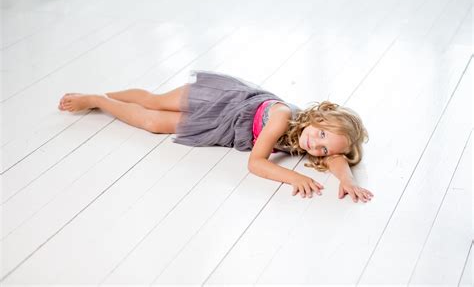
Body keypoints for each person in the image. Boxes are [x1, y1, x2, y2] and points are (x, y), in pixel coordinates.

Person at [58, 70, 373, 203]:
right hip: (219, 101)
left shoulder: (317, 143)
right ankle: (99, 98)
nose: (313, 145)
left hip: (221, 127)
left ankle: (101, 101)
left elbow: (336, 156)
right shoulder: (282, 118)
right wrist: (291, 179)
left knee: (153, 123)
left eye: (320, 147)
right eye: (319, 134)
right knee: (154, 102)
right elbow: (256, 163)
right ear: (317, 117)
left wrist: (347, 181)